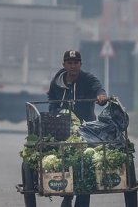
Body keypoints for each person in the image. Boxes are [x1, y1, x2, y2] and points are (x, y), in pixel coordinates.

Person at [47, 50, 108, 207]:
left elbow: (99, 88)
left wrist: (101, 96)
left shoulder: (88, 79)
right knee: (64, 160)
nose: (73, 66)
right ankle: (67, 195)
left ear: (80, 64)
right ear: (64, 65)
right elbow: (52, 101)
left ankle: (81, 202)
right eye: (69, 63)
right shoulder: (57, 81)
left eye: (75, 63)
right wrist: (55, 116)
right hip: (63, 129)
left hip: (87, 129)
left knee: (86, 163)